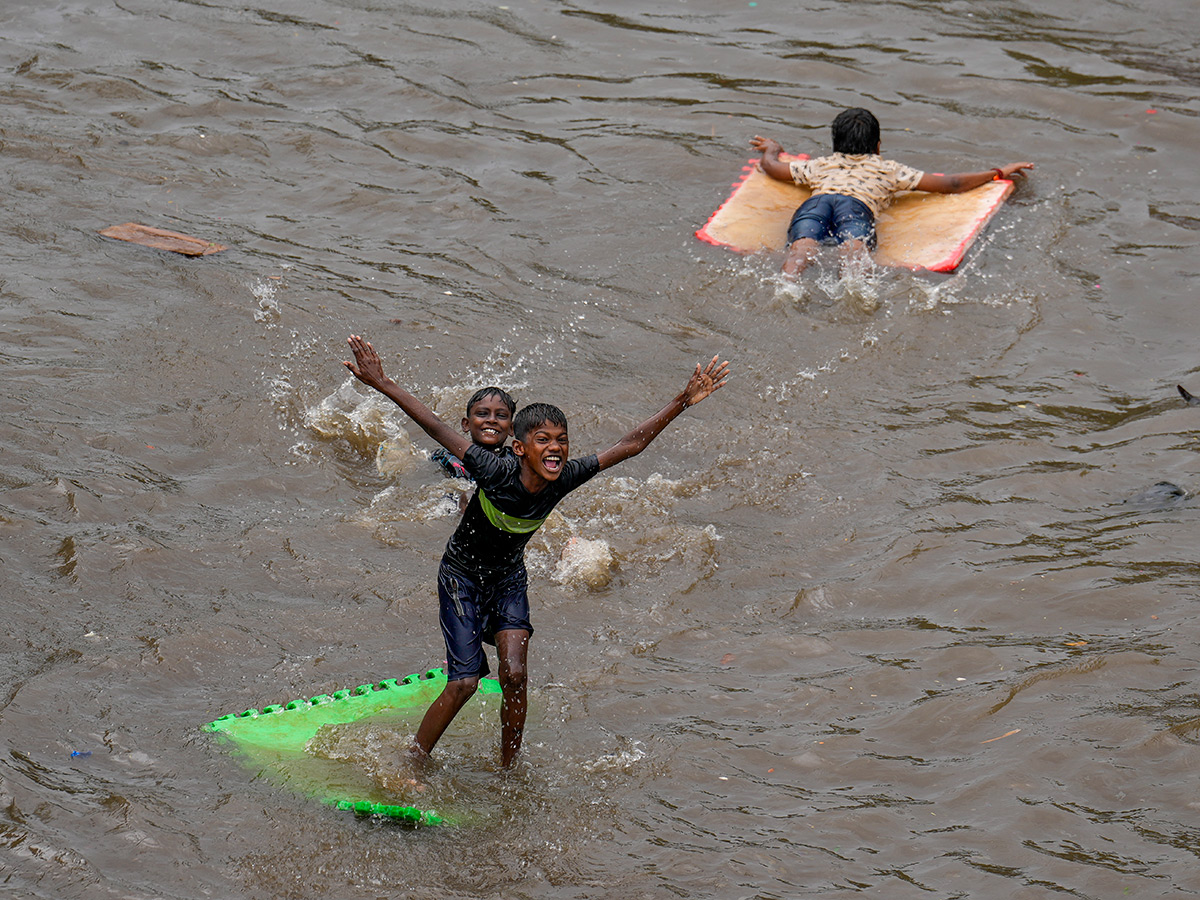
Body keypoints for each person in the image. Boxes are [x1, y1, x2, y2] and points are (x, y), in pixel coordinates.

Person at [343, 334, 730, 768]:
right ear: (520, 448)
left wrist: (683, 399)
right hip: (461, 577)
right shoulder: (491, 469)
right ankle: (412, 762)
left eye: (562, 440)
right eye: (543, 440)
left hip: (508, 580)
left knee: (515, 674)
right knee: (466, 681)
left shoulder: (566, 476)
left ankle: (508, 769)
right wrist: (382, 383)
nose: (556, 449)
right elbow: (435, 425)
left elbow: (631, 444)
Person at [750, 107, 1034, 276]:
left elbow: (772, 168)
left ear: (835, 145)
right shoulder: (889, 170)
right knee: (853, 252)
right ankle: (854, 293)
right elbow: (952, 185)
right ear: (878, 146)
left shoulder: (821, 165)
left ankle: (787, 285)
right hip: (855, 207)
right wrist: (997, 172)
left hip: (816, 205)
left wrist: (773, 148)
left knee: (802, 248)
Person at [429, 386, 516, 511]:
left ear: (511, 428)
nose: (492, 420)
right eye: (482, 414)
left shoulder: (514, 461)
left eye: (501, 415)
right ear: (466, 424)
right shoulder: (445, 457)